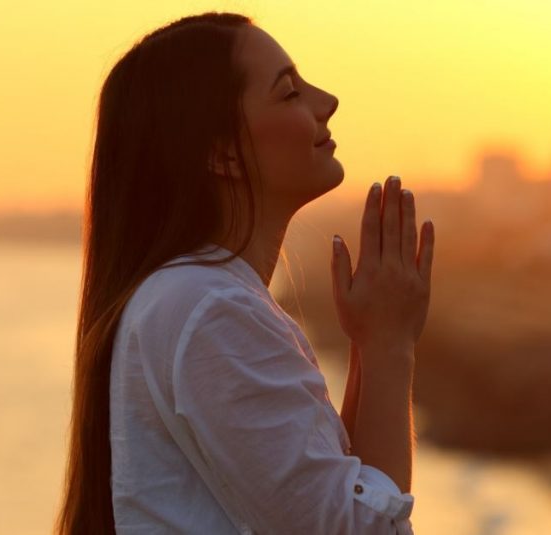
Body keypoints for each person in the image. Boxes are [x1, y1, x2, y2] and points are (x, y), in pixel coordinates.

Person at [54, 11, 435, 534]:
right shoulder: (212, 308)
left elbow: (341, 497)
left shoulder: (192, 297)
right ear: (222, 153)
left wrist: (372, 348)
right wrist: (393, 347)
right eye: (289, 92)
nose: (326, 101)